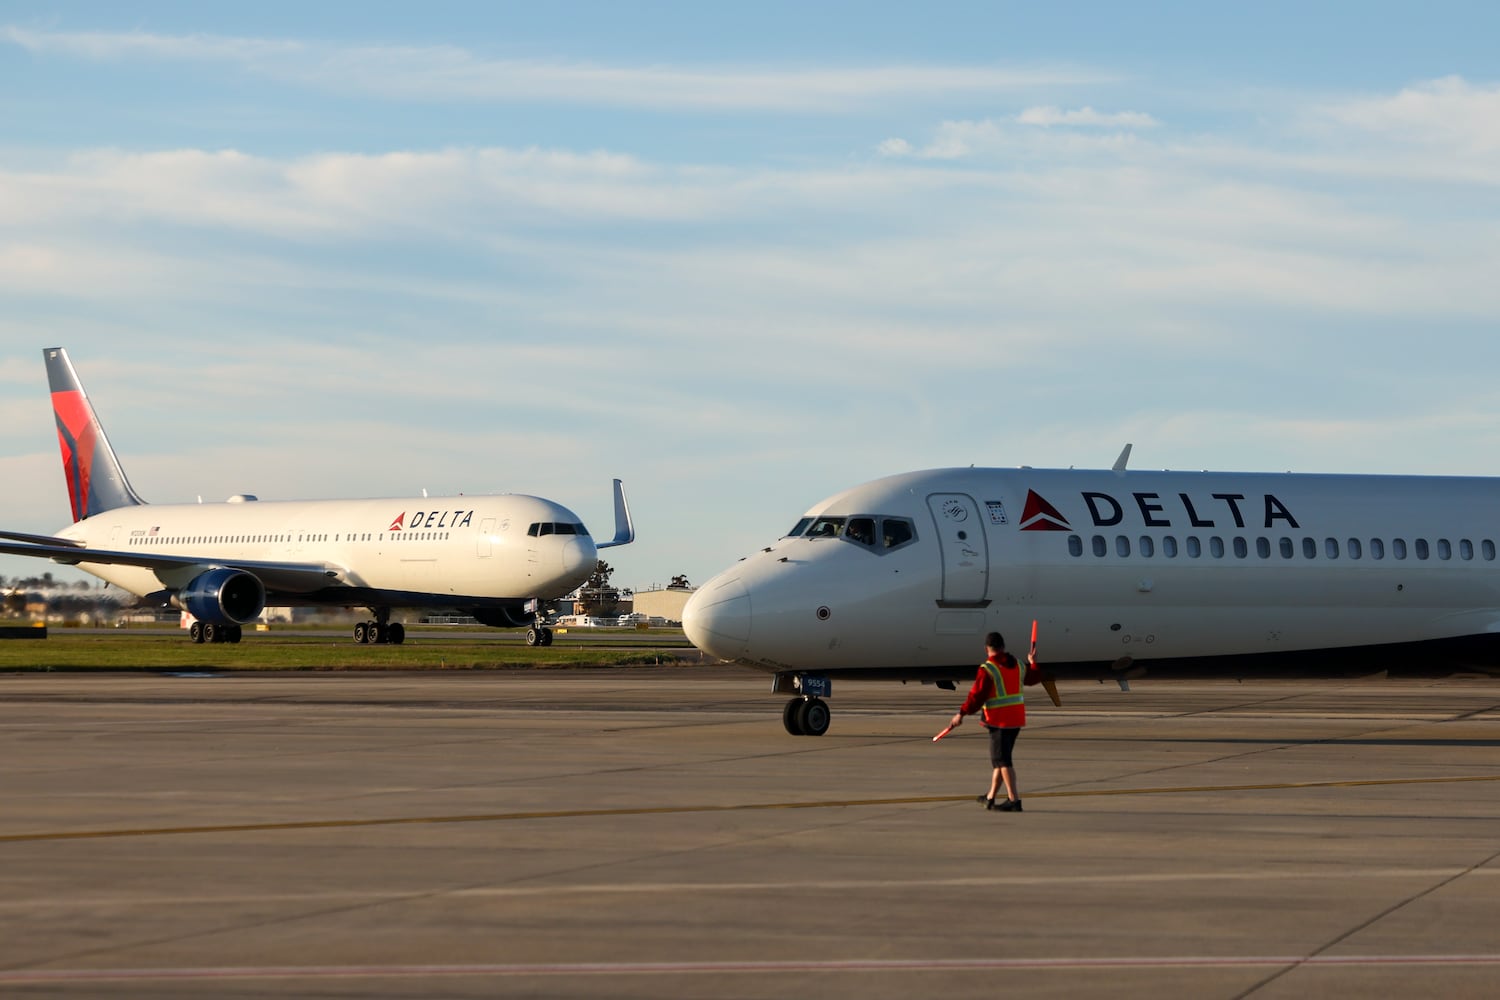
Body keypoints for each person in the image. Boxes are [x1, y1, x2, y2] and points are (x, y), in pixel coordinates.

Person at [946, 631, 1031, 812]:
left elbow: (976, 696)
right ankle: (990, 797)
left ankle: (1014, 800)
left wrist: (961, 714)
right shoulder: (1018, 664)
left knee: (1003, 761)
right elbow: (1033, 678)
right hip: (1016, 719)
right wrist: (1033, 663)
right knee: (1000, 761)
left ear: (986, 649)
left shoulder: (989, 668)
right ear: (1003, 647)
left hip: (999, 721)